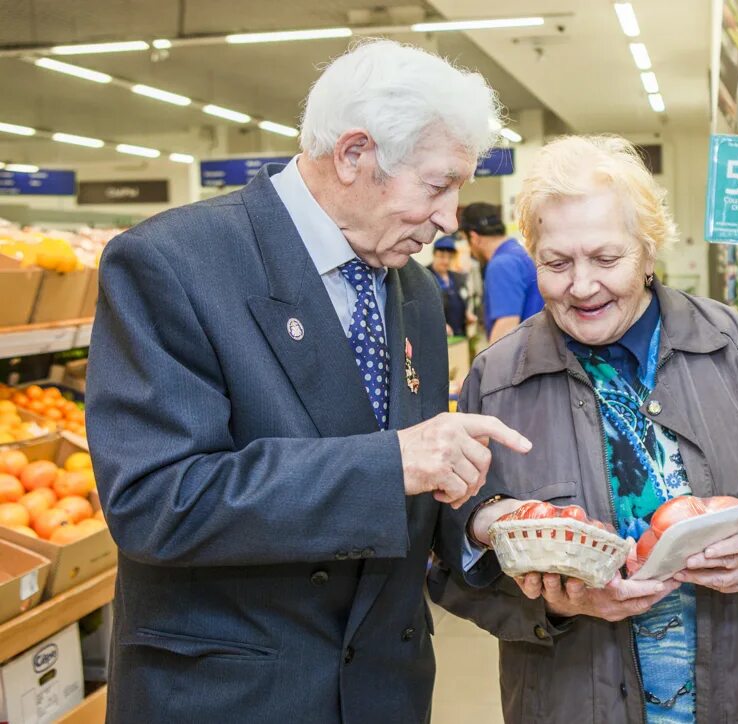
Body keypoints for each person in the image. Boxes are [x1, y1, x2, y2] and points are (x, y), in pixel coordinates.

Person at [85, 40, 532, 724]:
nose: (450, 219)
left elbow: (405, 485)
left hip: (383, 690)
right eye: (439, 185)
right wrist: (391, 464)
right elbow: (157, 501)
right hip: (236, 698)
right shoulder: (173, 263)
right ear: (354, 154)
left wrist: (484, 523)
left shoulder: (408, 288)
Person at [430, 136, 738, 723]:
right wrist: (553, 601)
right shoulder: (499, 381)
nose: (582, 286)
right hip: (574, 700)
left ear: (649, 249)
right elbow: (451, 555)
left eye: (607, 259)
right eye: (556, 263)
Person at [462, 202, 543, 344]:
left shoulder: (502, 264)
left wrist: (488, 365)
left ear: (473, 237)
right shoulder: (521, 253)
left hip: (523, 358)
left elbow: (506, 327)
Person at [429, 234, 474, 336]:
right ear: (434, 255)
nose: (446, 261)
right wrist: (439, 324)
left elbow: (463, 298)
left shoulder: (457, 278)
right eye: (442, 257)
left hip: (460, 333)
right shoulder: (425, 277)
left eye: (450, 257)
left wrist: (467, 314)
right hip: (438, 335)